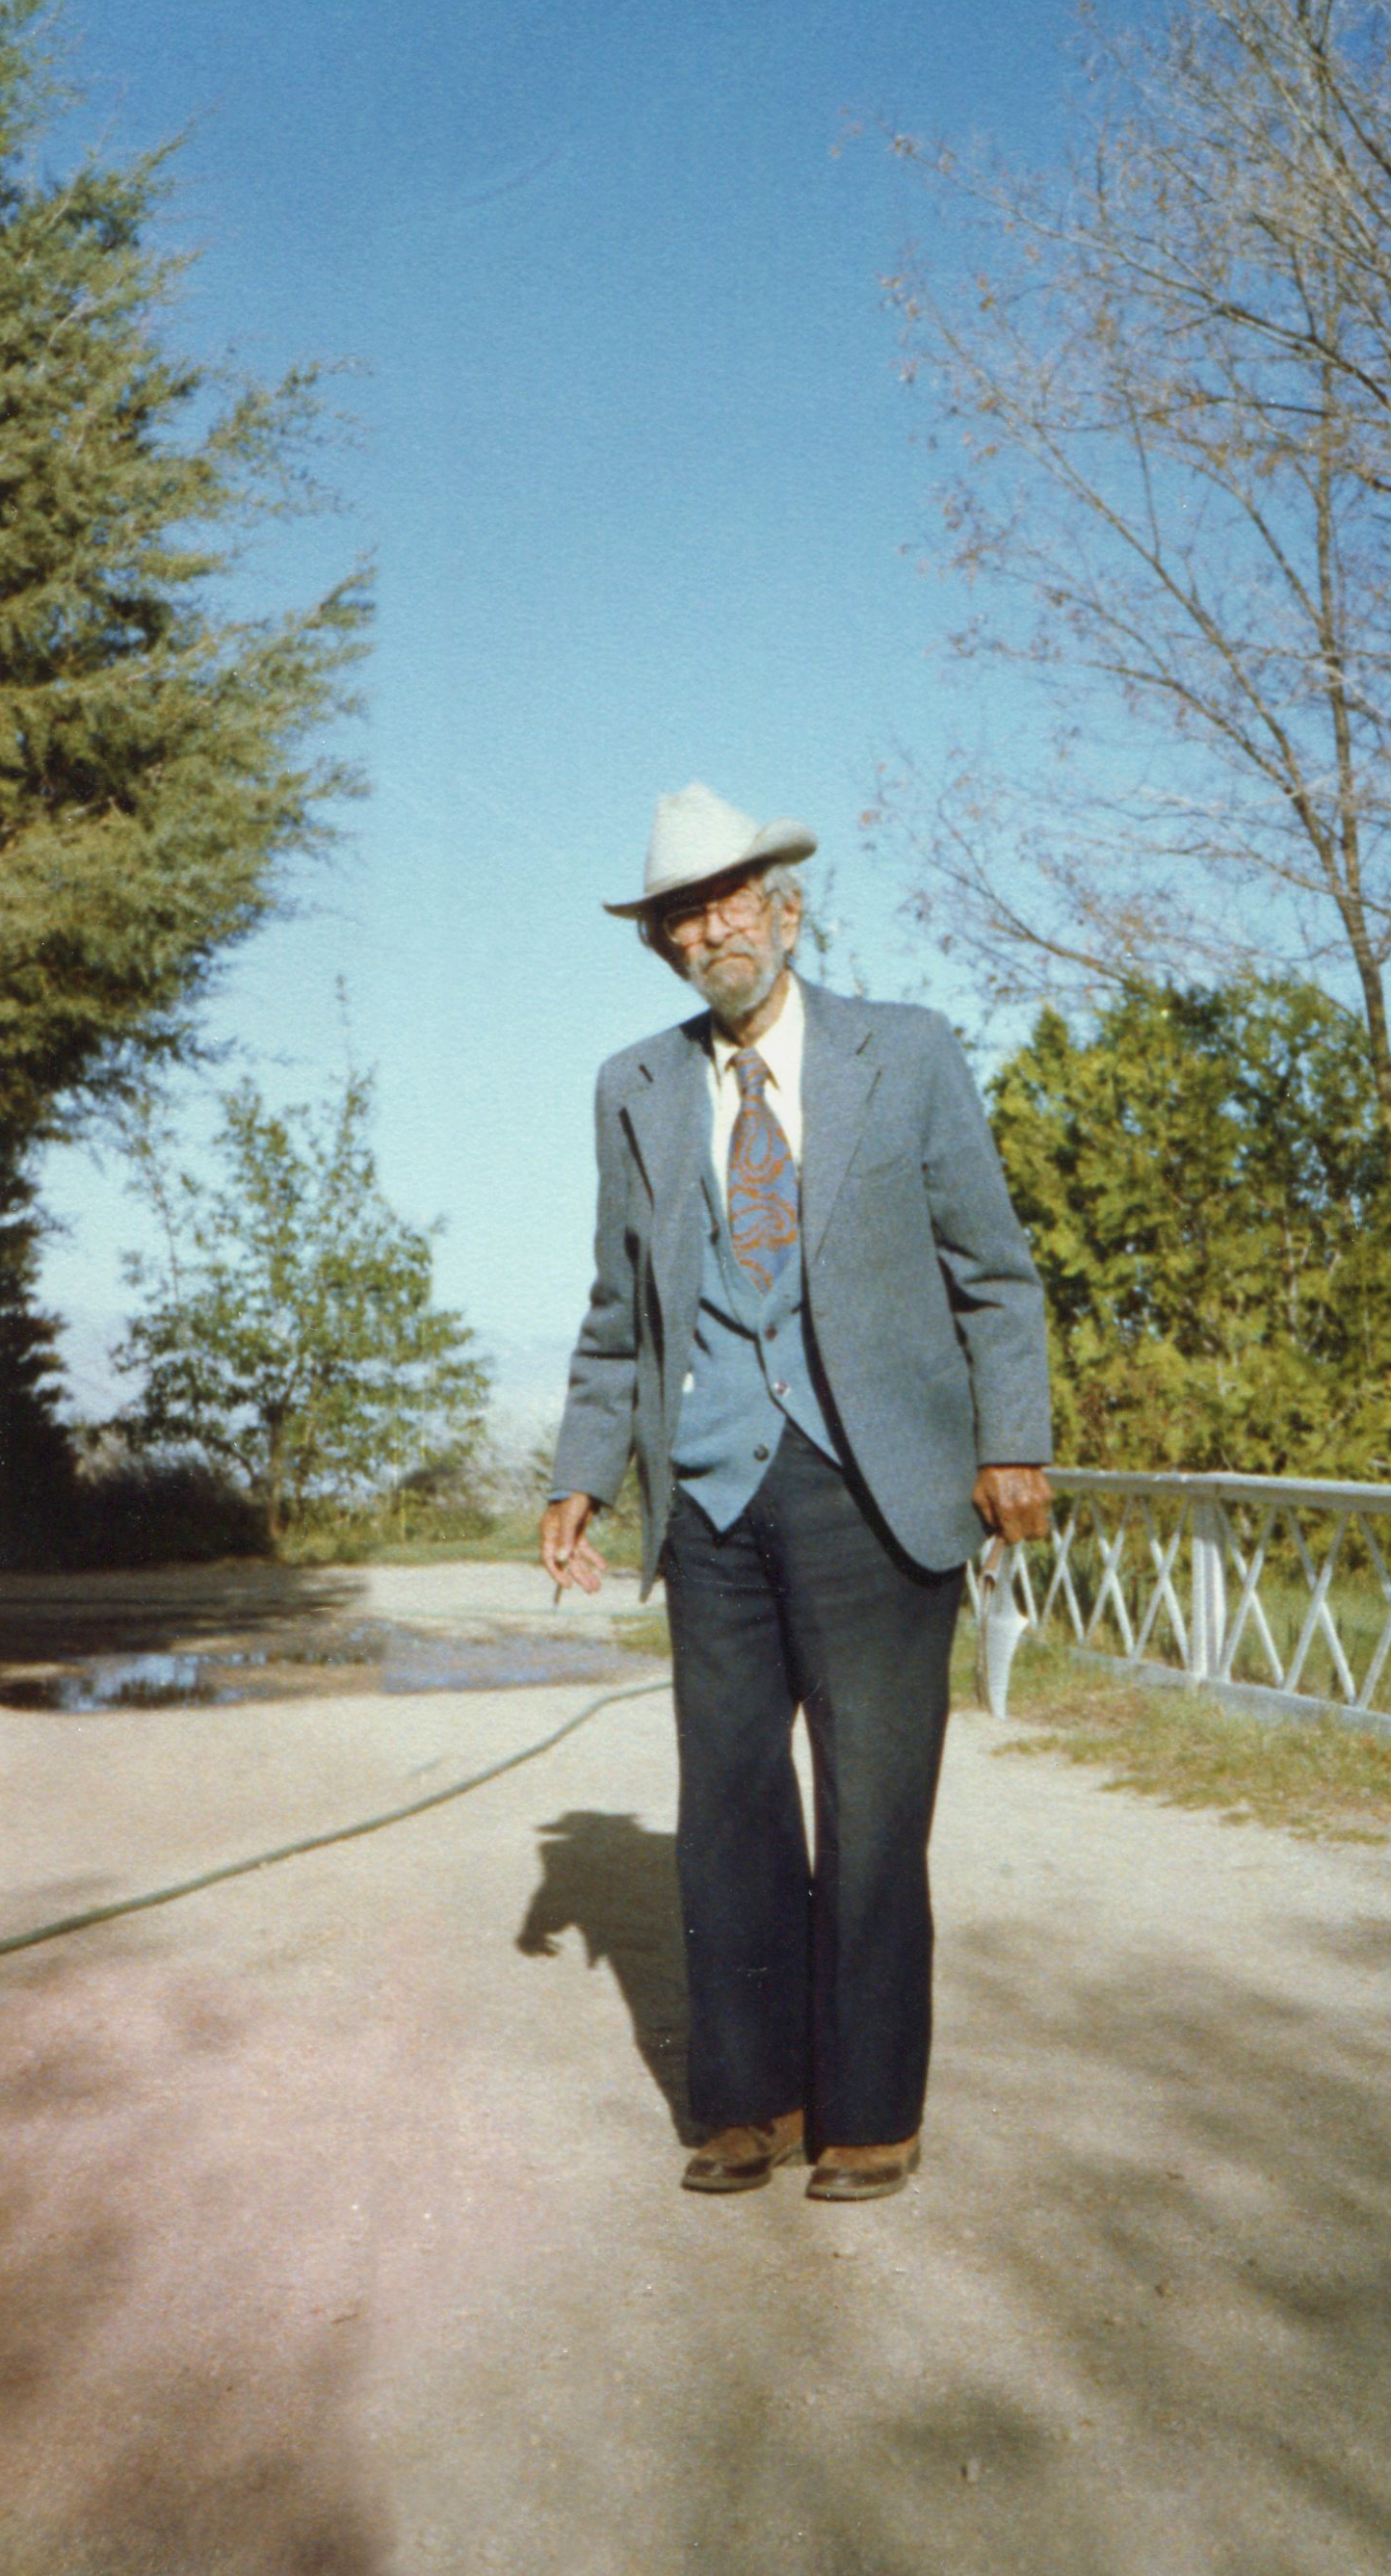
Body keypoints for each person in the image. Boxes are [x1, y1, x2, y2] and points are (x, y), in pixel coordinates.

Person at [540, 781, 1052, 2204]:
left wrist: (1013, 1444)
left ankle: (869, 2113)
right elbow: (615, 1310)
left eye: (731, 899)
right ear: (662, 945)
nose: (712, 928)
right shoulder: (634, 1088)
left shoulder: (910, 1054)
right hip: (709, 1499)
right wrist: (584, 1471)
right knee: (729, 1814)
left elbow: (996, 1281)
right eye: (681, 915)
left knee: (877, 1815)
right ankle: (745, 2100)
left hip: (875, 1490)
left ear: (786, 906)